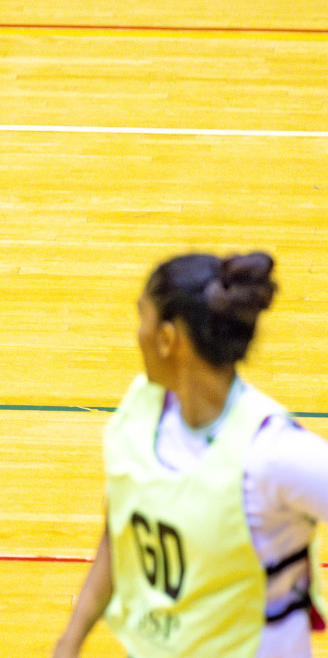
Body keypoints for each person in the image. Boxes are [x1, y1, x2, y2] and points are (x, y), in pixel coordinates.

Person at [53, 252, 327, 658]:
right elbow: (118, 535)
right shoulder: (139, 413)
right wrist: (69, 643)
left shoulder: (272, 454)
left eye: (141, 316)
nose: (137, 333)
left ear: (168, 339)